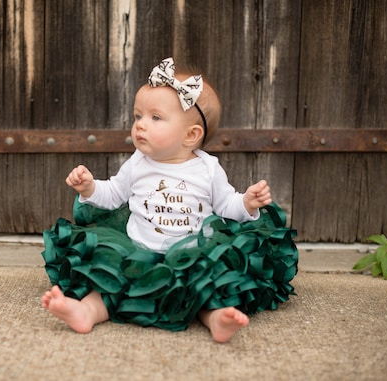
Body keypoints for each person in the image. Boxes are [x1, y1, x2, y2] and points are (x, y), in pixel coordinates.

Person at [41, 57, 298, 343]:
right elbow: (113, 195)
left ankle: (216, 318)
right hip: (138, 250)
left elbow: (226, 207)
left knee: (201, 285)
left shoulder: (208, 168)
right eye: (138, 116)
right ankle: (86, 312)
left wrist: (248, 203)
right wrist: (89, 187)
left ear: (191, 135)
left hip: (193, 255)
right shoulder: (138, 163)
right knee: (112, 278)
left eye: (155, 118)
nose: (140, 125)